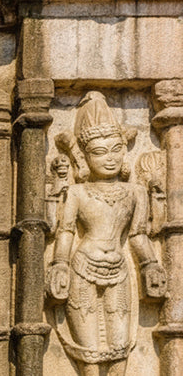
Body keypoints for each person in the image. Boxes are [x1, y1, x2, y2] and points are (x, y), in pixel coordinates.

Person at [47, 91, 166, 376]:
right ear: (85, 156)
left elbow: (137, 236)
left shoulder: (135, 193)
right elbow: (66, 232)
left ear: (124, 151)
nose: (110, 159)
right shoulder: (77, 192)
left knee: (119, 348)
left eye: (116, 149)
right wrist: (59, 264)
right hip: (82, 266)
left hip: (119, 269)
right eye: (99, 152)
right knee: (89, 351)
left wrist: (150, 264)